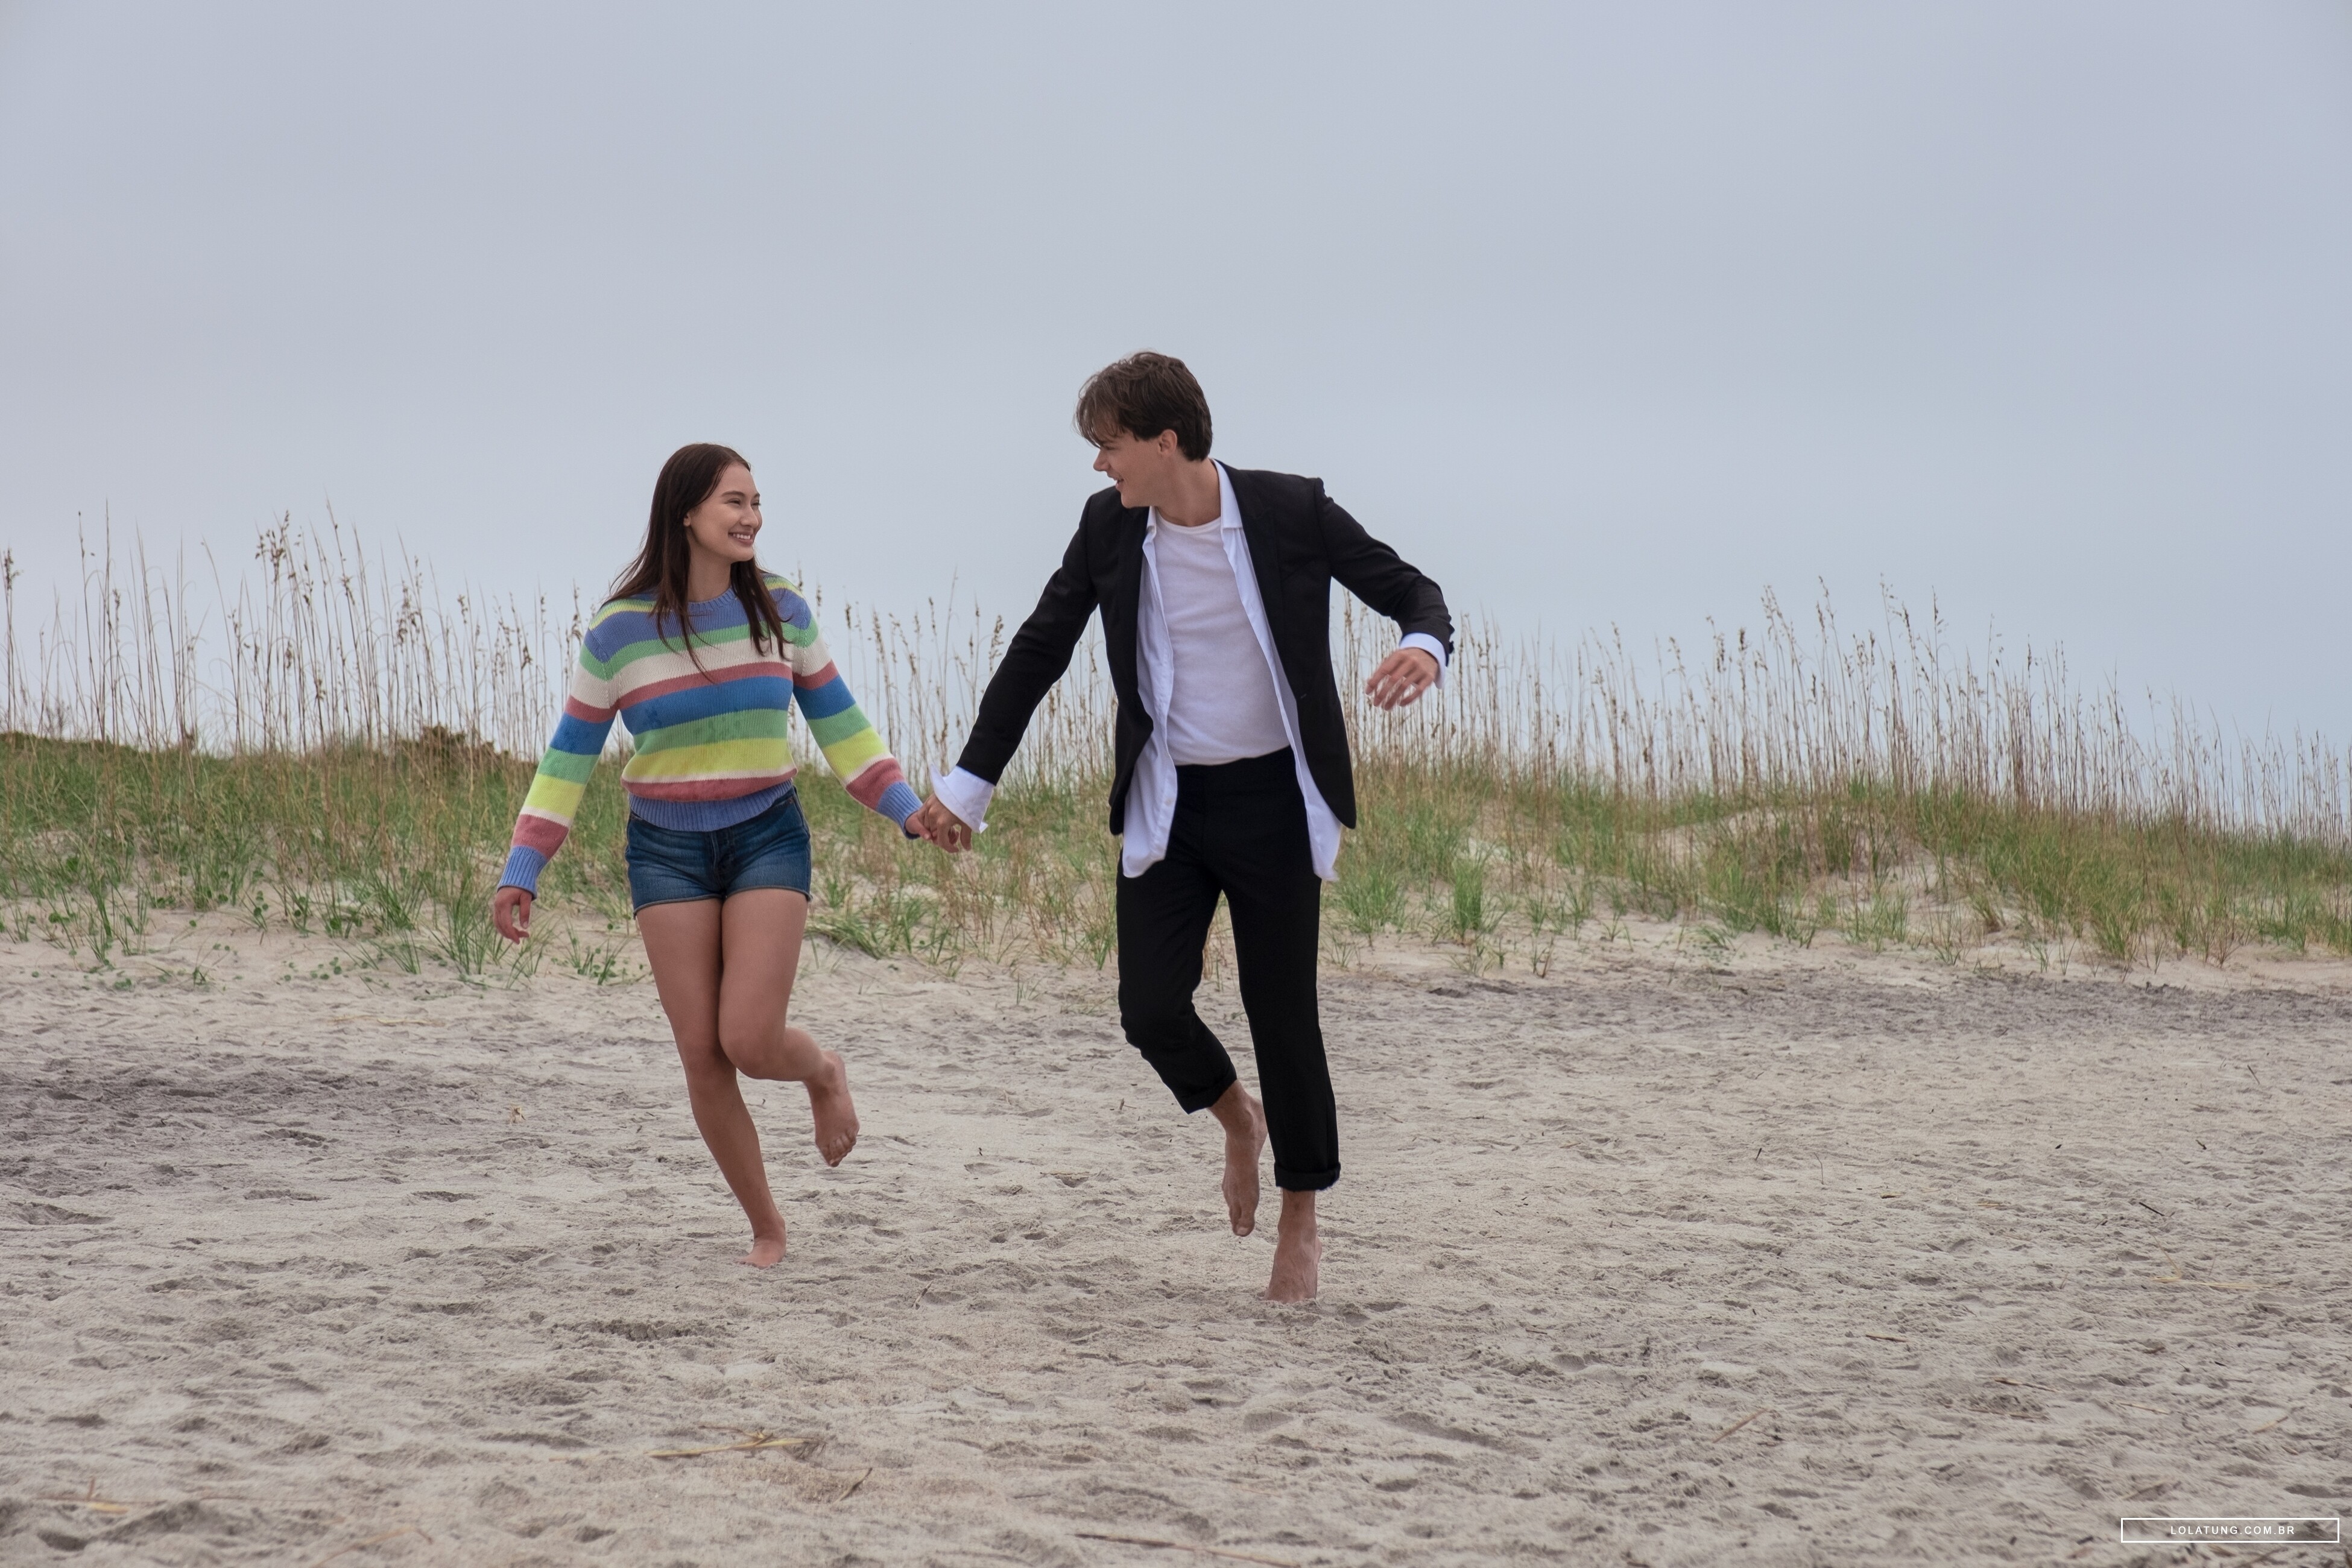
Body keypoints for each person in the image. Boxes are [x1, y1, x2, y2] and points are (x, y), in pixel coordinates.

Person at [912, 353, 1451, 1301]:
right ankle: (1238, 1116)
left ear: (1166, 443)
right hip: (1171, 799)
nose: (1099, 465)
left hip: (1276, 802)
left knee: (1283, 1012)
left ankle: (1300, 1215)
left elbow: (1412, 590)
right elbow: (1039, 649)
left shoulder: (1290, 511)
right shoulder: (1109, 529)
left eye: (1109, 445)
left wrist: (1422, 647)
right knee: (1149, 1009)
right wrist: (968, 785)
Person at [492, 442, 932, 1268]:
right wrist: (525, 865)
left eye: (757, 502)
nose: (752, 516)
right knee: (702, 1051)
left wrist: (907, 810)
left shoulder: (782, 611)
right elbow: (568, 758)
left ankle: (822, 1072)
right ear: (687, 512)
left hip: (767, 832)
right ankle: (768, 1226)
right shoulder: (619, 633)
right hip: (666, 850)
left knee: (751, 1041)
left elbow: (842, 726)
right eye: (735, 501)